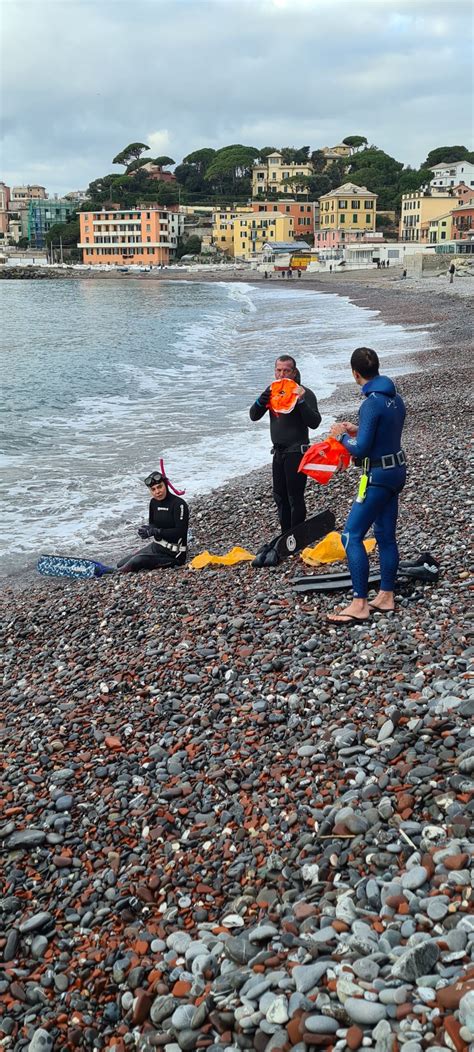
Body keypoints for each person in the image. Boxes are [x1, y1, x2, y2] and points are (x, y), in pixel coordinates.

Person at [327, 347, 406, 624]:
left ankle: (359, 602)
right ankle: (386, 596)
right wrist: (357, 430)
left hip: (378, 477)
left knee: (351, 535)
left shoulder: (371, 403)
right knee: (385, 536)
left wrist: (340, 438)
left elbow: (360, 451)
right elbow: (383, 435)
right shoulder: (395, 399)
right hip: (396, 472)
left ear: (355, 373)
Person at [249, 355, 321, 532]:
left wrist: (301, 401)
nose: (282, 374)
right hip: (279, 453)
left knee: (294, 497)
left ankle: (296, 534)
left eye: (286, 370)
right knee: (279, 496)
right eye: (278, 370)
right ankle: (286, 534)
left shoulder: (305, 393)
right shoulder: (273, 392)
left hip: (297, 452)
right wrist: (262, 399)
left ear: (294, 372)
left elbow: (315, 422)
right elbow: (253, 415)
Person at [117, 470, 189, 573]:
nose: (157, 492)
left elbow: (180, 532)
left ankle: (111, 573)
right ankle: (116, 570)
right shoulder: (153, 502)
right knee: (121, 563)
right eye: (153, 489)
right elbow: (153, 524)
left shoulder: (179, 504)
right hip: (156, 547)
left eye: (160, 487)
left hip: (174, 554)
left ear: (166, 485)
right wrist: (147, 530)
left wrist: (156, 531)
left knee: (137, 561)